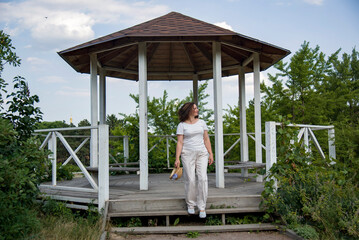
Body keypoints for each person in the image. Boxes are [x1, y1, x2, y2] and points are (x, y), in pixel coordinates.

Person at [175, 102, 214, 218]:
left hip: (202, 153)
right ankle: (191, 204)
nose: (197, 110)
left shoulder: (202, 123)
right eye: (195, 108)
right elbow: (180, 142)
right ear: (189, 110)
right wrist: (177, 158)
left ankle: (202, 207)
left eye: (197, 108)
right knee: (190, 179)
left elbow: (206, 139)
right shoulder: (182, 125)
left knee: (202, 178)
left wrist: (210, 153)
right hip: (187, 154)